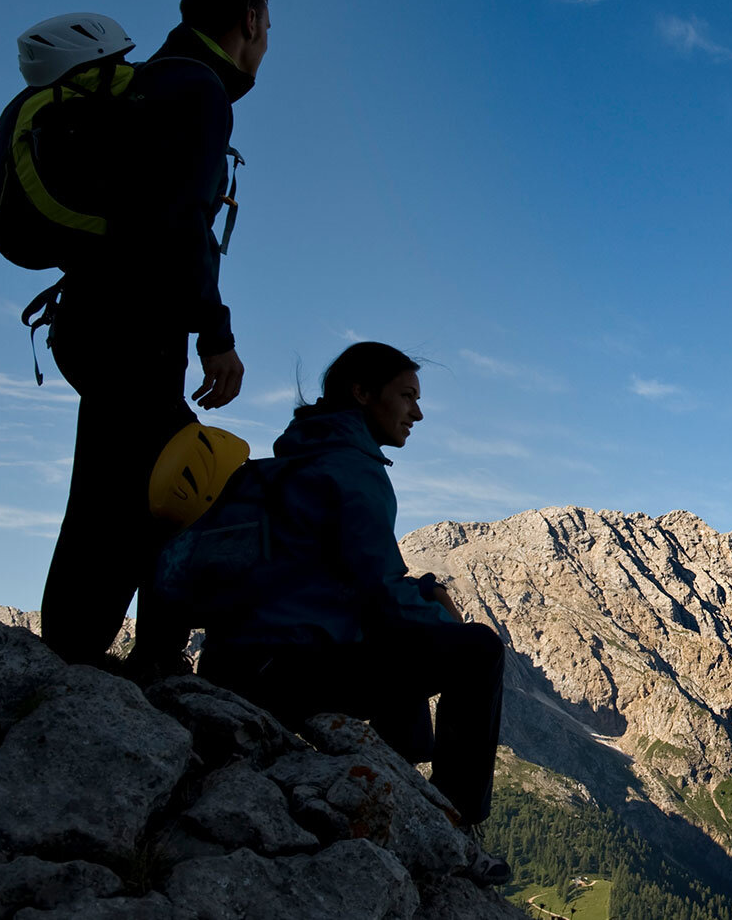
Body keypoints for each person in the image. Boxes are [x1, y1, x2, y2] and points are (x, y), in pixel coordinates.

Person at [195, 343, 508, 883]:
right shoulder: (353, 472)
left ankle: (402, 769)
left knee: (396, 636)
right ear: (363, 394)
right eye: (407, 395)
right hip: (287, 673)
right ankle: (459, 824)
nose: (418, 412)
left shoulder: (284, 463)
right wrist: (445, 618)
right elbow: (382, 595)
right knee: (478, 650)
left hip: (231, 663)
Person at [39, 0, 269, 671]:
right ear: (249, 24)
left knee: (115, 481)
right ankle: (115, 655)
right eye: (268, 30)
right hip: (133, 325)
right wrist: (217, 336)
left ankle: (84, 645)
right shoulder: (198, 90)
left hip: (90, 316)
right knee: (189, 480)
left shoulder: (152, 82)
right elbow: (181, 222)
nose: (266, 46)